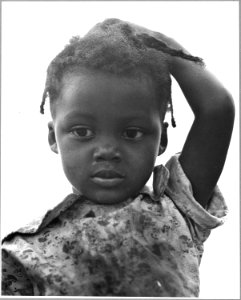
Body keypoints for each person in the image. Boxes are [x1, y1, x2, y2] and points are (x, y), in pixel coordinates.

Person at [2, 18, 234, 296]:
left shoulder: (179, 207)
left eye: (132, 133)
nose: (108, 151)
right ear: (54, 138)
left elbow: (217, 110)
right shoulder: (22, 253)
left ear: (162, 139)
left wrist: (160, 44)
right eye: (83, 131)